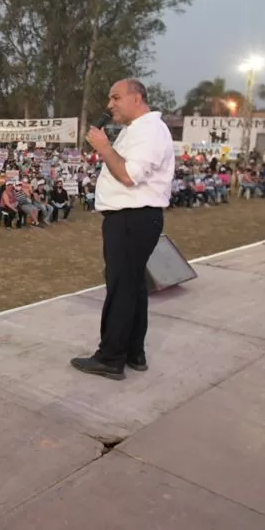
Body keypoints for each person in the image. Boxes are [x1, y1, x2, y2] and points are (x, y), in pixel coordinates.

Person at [71, 78, 173, 380]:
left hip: (132, 218)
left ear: (137, 98)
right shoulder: (136, 130)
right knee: (133, 285)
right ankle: (133, 351)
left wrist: (103, 147)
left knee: (121, 287)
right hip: (131, 217)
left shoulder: (150, 130)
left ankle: (110, 357)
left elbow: (128, 175)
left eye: (116, 98)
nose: (109, 105)